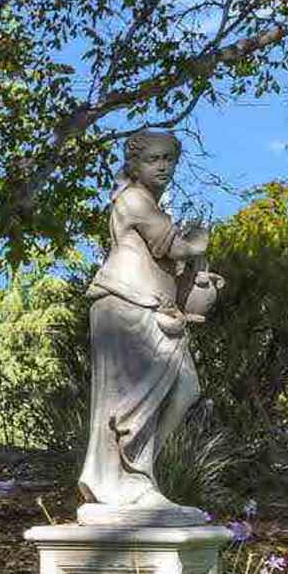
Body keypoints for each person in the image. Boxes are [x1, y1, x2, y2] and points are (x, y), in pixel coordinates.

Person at [79, 129, 221, 520]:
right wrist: (199, 243)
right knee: (131, 399)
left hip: (153, 308)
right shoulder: (134, 200)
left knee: (186, 386)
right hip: (127, 305)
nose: (162, 167)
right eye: (153, 159)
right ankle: (130, 481)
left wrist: (197, 281)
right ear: (133, 164)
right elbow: (178, 247)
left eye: (168, 160)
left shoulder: (150, 204)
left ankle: (139, 475)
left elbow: (173, 263)